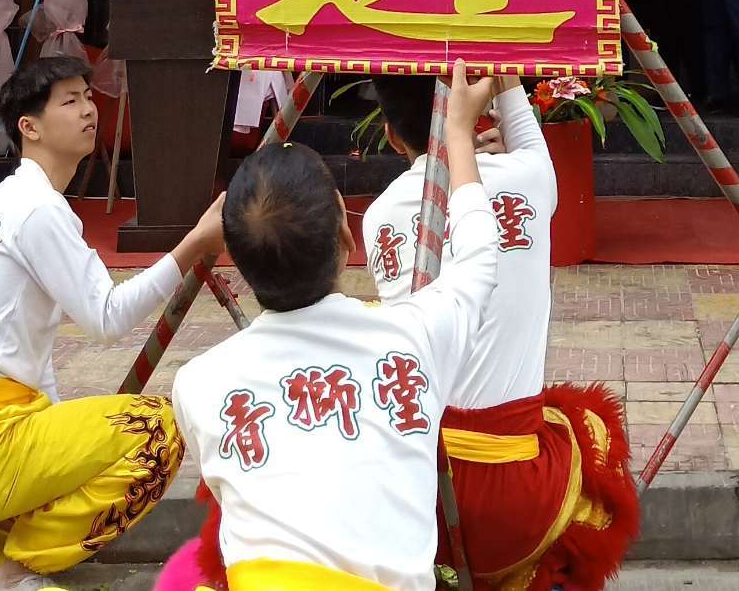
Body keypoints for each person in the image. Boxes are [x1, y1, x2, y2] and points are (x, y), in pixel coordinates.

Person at [0, 57, 224, 591]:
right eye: (69, 101)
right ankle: (15, 577)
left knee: (51, 493)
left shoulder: (13, 198)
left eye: (88, 96)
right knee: (160, 429)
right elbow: (107, 317)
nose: (88, 108)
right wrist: (194, 244)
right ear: (29, 127)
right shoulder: (37, 208)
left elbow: (35, 370)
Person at [165, 63, 501, 591]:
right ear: (347, 235)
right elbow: (480, 255)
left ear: (233, 256)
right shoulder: (415, 336)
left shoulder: (197, 383)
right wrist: (458, 134)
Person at [361, 75, 638, 591]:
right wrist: (505, 76)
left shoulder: (377, 217)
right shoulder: (529, 178)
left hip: (423, 490)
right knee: (591, 426)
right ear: (479, 106)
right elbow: (533, 147)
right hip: (522, 495)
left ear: (391, 135)